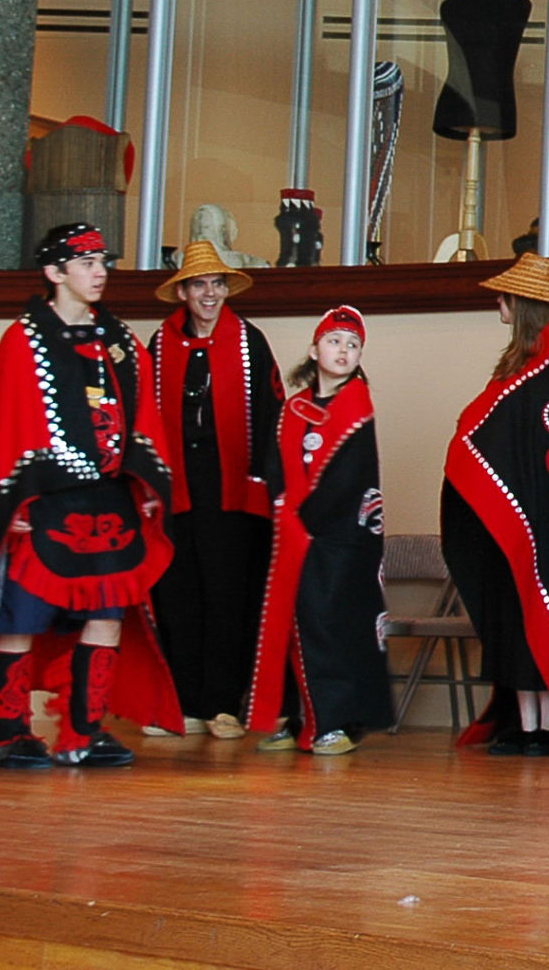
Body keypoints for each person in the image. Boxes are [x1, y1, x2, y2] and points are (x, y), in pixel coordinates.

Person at [0, 224, 180, 767]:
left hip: (110, 506)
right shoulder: (23, 339)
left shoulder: (121, 342)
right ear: (54, 272)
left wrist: (148, 486)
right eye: (85, 263)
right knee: (19, 619)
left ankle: (82, 730)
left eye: (102, 262)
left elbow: (143, 421)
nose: (99, 272)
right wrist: (6, 503)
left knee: (107, 616)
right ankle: (10, 730)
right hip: (42, 505)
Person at [442, 252, 549, 756]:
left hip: (541, 521)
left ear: (523, 305)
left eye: (504, 296)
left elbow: (533, 442)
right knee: (513, 621)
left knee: (542, 611)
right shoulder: (521, 367)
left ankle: (548, 725)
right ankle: (526, 723)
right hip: (510, 526)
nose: (498, 302)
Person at [146, 239, 283, 738]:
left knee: (228, 593)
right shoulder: (159, 345)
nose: (210, 293)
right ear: (183, 291)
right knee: (178, 595)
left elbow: (272, 418)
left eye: (217, 283)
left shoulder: (250, 342)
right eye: (200, 284)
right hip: (177, 487)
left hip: (233, 490)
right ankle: (182, 702)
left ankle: (223, 703)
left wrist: (267, 485)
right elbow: (144, 418)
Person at [247, 306, 391, 755]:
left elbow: (349, 479)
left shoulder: (357, 408)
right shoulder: (293, 409)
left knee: (329, 624)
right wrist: (283, 511)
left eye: (352, 345)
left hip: (341, 539)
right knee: (290, 622)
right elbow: (274, 466)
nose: (343, 351)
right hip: (294, 533)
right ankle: (297, 717)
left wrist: (306, 519)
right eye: (334, 342)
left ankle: (334, 721)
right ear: (314, 350)